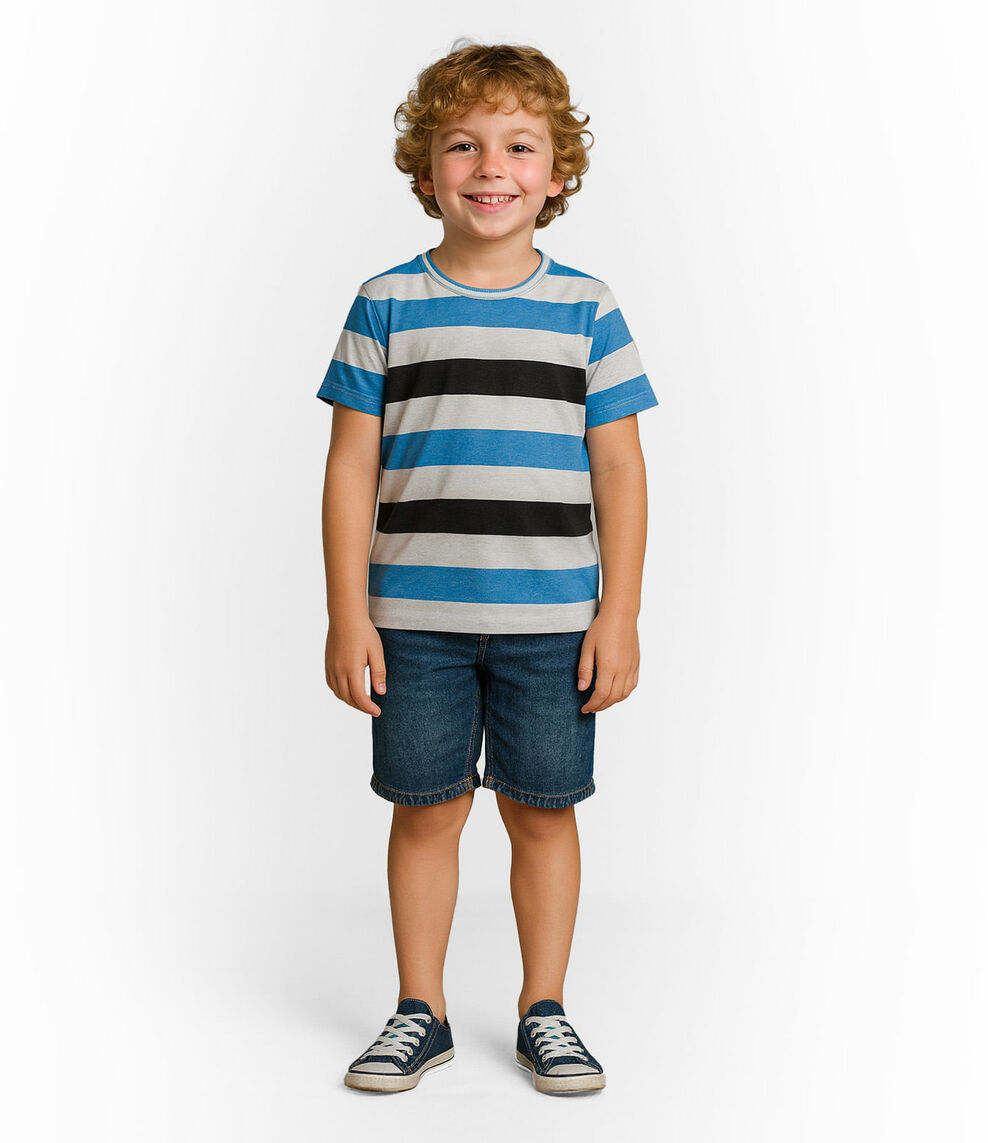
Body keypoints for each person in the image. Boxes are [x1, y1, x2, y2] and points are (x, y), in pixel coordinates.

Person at [318, 39, 658, 1096]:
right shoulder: (385, 301)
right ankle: (418, 1011)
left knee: (542, 811)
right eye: (462, 145)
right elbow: (349, 467)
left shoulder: (587, 308)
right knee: (425, 809)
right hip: (411, 619)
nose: (490, 167)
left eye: (519, 145)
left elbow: (620, 467)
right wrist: (346, 614)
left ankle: (543, 1009)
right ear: (426, 170)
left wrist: (618, 615)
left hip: (552, 622)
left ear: (557, 174)